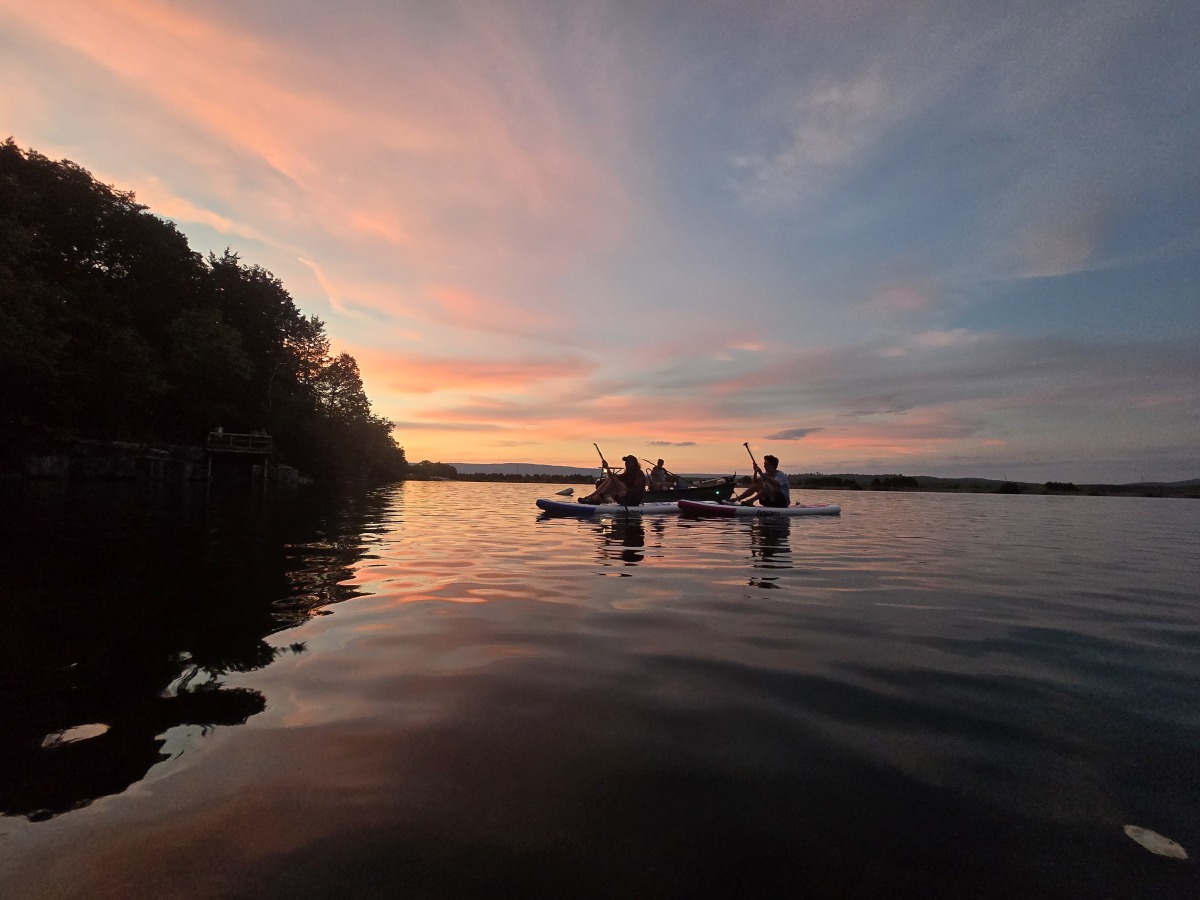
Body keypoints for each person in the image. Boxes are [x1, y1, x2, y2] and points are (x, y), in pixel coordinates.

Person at [580, 455, 646, 505]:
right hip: (624, 498)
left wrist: (626, 493)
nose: (626, 463)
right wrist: (607, 467)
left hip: (633, 500)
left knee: (613, 479)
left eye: (628, 461)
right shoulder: (627, 473)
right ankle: (590, 497)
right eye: (626, 461)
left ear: (634, 463)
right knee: (610, 479)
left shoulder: (639, 473)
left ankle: (596, 499)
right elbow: (612, 478)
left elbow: (638, 489)